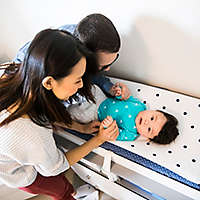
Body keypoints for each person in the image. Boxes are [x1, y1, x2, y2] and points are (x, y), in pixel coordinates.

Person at [0, 29, 119, 200]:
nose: (80, 86)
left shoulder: (16, 72)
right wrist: (99, 139)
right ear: (49, 82)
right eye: (77, 80)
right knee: (62, 189)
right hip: (21, 176)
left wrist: (81, 127)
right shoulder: (31, 134)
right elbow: (57, 167)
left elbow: (46, 112)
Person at [13, 13, 130, 100]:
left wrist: (109, 86)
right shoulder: (56, 61)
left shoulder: (86, 36)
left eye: (111, 63)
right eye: (103, 67)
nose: (108, 69)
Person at [68, 85, 179, 144]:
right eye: (152, 118)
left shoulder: (131, 134)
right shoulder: (140, 105)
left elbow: (114, 134)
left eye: (149, 129)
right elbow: (126, 98)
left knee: (78, 114)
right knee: (94, 88)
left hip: (94, 114)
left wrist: (108, 125)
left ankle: (61, 107)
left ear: (147, 137)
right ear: (155, 111)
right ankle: (70, 87)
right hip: (102, 98)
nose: (146, 122)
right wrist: (120, 93)